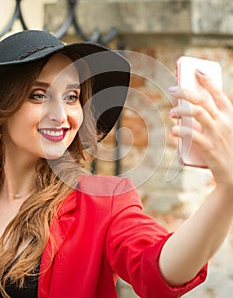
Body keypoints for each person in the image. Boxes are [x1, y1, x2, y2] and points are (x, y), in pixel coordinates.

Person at [0, 29, 232, 298]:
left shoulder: (101, 201)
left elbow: (159, 268)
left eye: (72, 97)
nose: (60, 115)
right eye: (38, 95)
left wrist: (227, 190)